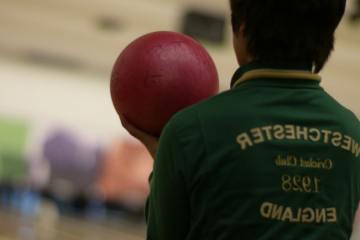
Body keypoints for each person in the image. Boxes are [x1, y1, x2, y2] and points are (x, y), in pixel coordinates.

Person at [120, 0, 360, 239]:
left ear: (241, 28)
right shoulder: (353, 133)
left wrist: (167, 158)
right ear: (329, 34)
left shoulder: (190, 130)